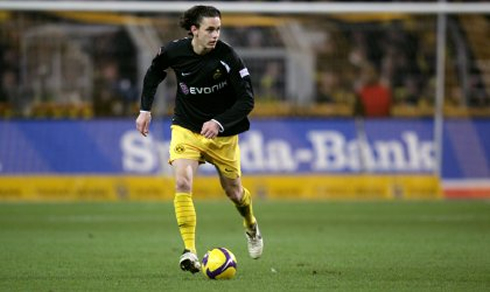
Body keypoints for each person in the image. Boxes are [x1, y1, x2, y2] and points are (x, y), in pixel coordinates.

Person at [135, 5, 263, 274]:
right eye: (210, 29)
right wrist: (145, 109)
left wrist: (218, 122)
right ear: (194, 30)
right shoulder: (174, 51)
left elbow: (247, 100)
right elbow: (154, 72)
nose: (215, 34)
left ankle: (251, 225)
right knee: (182, 182)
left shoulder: (228, 57)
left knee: (234, 193)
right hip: (187, 127)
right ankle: (189, 251)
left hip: (222, 134)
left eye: (218, 29)